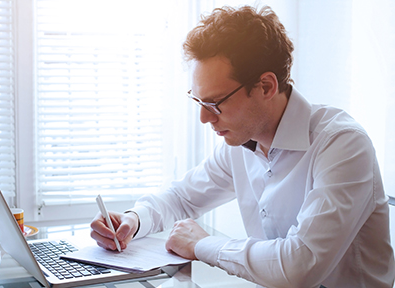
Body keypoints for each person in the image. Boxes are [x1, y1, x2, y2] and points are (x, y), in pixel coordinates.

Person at [90, 5, 395, 288]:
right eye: (199, 101)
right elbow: (181, 198)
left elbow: (301, 265)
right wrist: (133, 219)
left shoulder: (342, 144)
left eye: (215, 103)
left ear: (266, 86)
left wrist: (200, 244)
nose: (204, 117)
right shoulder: (240, 144)